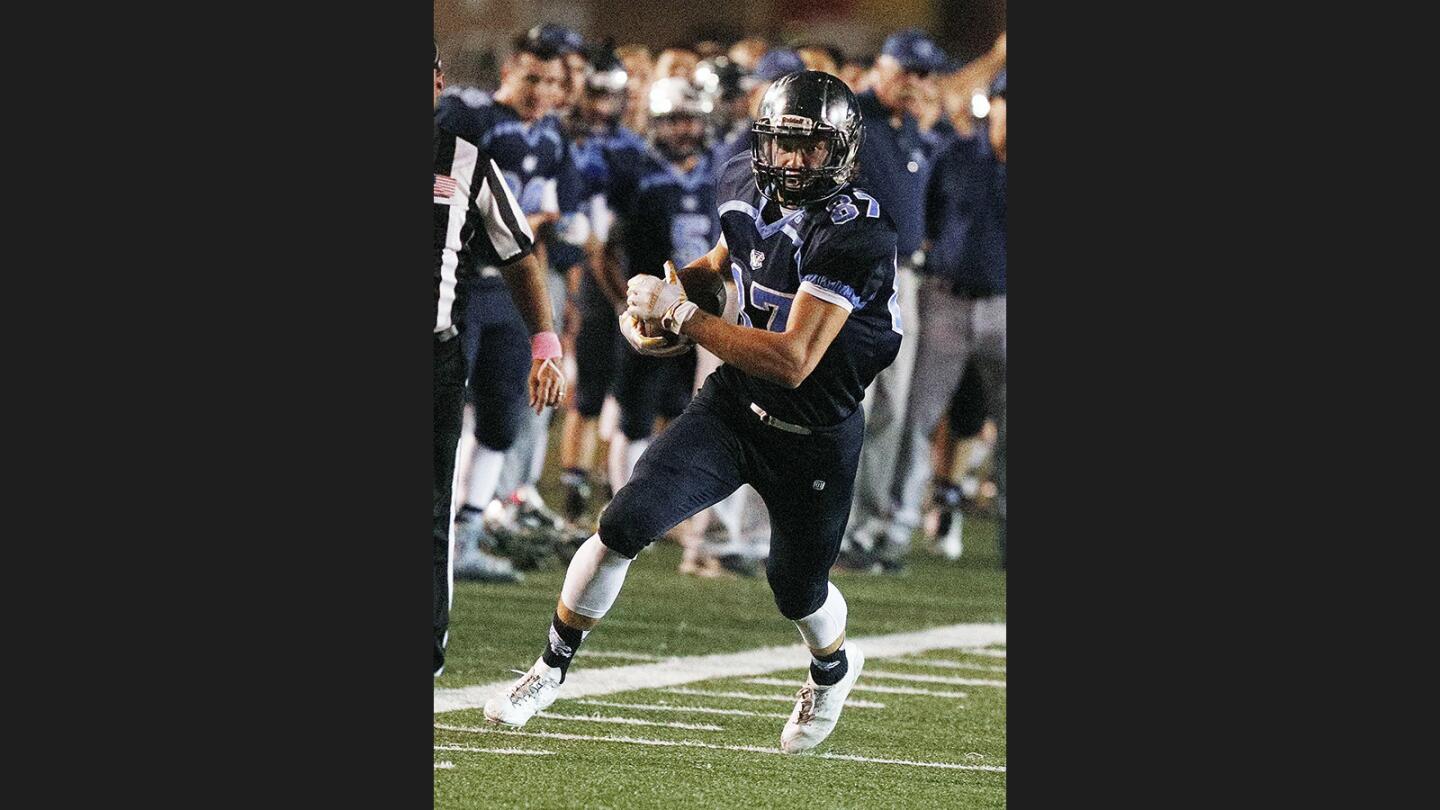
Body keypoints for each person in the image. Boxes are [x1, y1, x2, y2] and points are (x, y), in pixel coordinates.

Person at [485, 71, 901, 755]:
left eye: (813, 147)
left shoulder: (856, 232)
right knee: (624, 522)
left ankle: (833, 668)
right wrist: (672, 295)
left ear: (843, 151)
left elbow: (794, 359)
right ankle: (548, 669)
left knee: (796, 590)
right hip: (737, 404)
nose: (795, 162)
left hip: (815, 432)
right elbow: (726, 259)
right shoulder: (741, 179)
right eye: (784, 144)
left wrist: (683, 315)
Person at [433, 40, 565, 677]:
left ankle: (431, 640)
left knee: (437, 499)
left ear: (436, 84)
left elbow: (521, 252)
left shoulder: (466, 159)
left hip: (446, 335)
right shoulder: (476, 124)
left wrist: (546, 342)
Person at [835, 28, 950, 575]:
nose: (917, 83)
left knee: (890, 410)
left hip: (902, 278)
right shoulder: (851, 116)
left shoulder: (915, 129)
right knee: (844, 404)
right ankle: (825, 523)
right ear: (881, 67)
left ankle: (863, 529)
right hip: (850, 272)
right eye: (908, 71)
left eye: (925, 74)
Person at [888, 68, 1006, 569]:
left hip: (1007, 306)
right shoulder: (955, 155)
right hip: (947, 302)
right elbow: (923, 222)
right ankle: (891, 530)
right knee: (915, 420)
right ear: (994, 105)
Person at [608, 76, 723, 576]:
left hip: (696, 316)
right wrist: (624, 303)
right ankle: (622, 507)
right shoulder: (638, 172)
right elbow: (607, 248)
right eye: (675, 119)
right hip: (649, 312)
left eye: (692, 119)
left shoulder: (718, 172)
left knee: (685, 412)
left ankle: (667, 513)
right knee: (634, 410)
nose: (685, 129)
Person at [557, 46, 649, 525]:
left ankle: (619, 490)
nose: (600, 104)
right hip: (589, 272)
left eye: (609, 94)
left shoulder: (631, 148)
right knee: (588, 389)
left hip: (627, 268)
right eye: (595, 92)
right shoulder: (565, 138)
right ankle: (574, 486)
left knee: (630, 389)